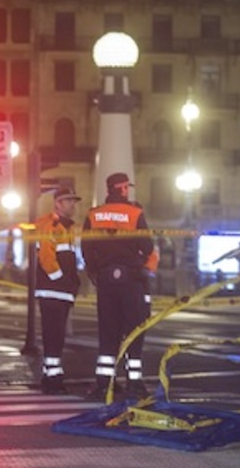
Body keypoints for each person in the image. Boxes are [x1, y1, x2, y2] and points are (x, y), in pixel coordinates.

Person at [82, 172, 154, 401]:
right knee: (133, 332)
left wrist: (95, 272)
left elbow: (86, 248)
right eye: (126, 187)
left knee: (108, 332)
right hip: (131, 280)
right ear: (121, 188)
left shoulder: (93, 215)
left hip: (105, 281)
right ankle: (134, 383)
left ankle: (105, 383)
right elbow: (148, 245)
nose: (127, 190)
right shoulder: (134, 213)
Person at [34, 185, 83, 395]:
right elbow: (47, 258)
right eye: (69, 200)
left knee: (56, 336)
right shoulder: (52, 226)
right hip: (53, 291)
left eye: (74, 201)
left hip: (58, 291)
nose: (73, 205)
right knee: (53, 336)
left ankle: (50, 374)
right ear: (58, 203)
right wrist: (62, 281)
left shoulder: (66, 228)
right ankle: (53, 379)